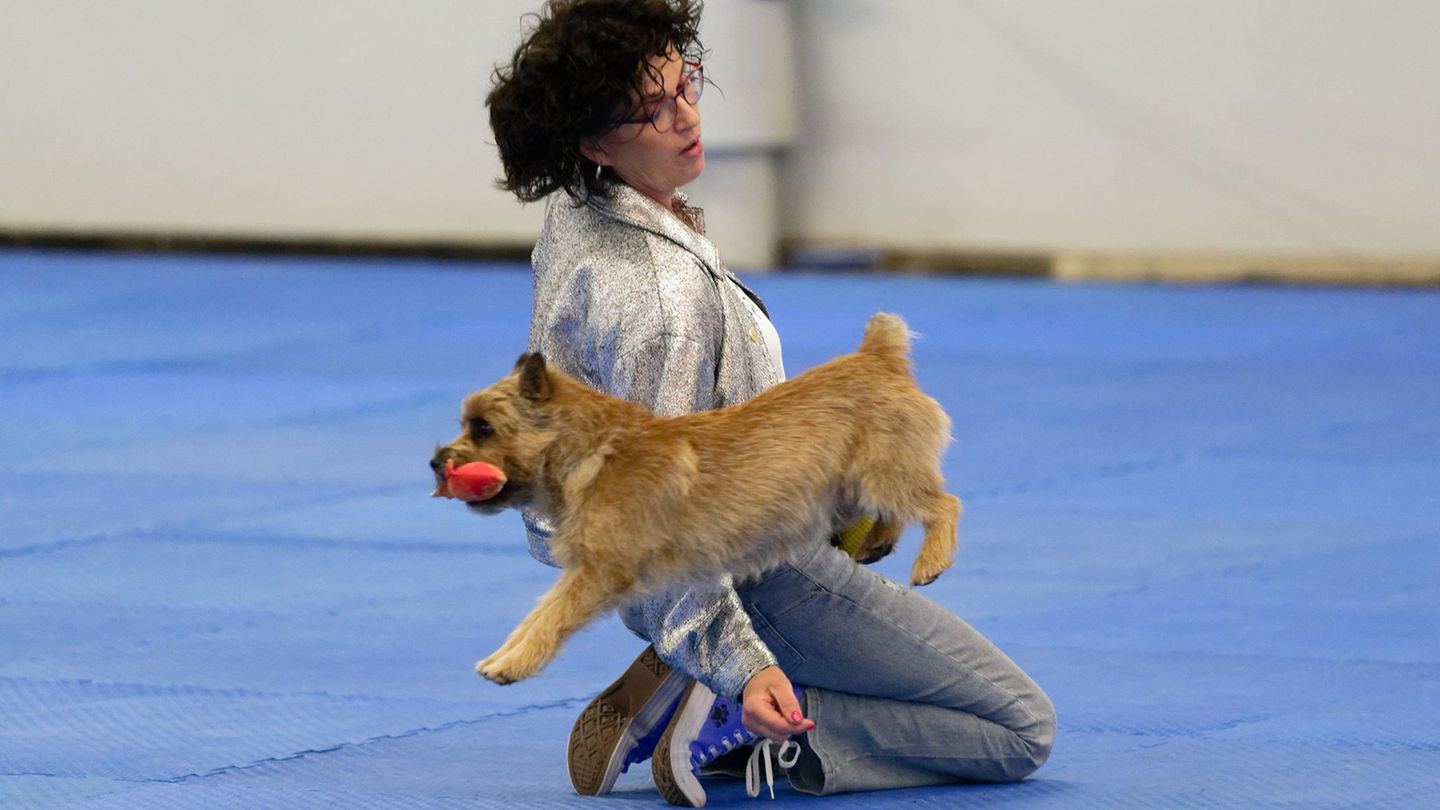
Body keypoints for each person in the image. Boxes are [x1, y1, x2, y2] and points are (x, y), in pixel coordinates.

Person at [485, 0, 1054, 804]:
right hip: (756, 574)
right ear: (594, 142)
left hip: (719, 538)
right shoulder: (662, 301)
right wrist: (745, 666)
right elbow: (665, 526)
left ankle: (695, 663)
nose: (687, 117)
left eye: (688, 85)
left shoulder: (584, 215)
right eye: (653, 111)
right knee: (1020, 728)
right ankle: (738, 706)